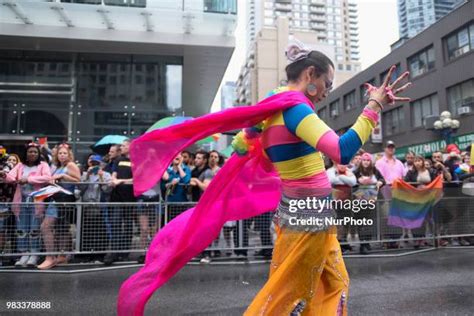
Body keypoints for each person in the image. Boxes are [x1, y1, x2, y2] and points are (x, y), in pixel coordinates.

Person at [118, 42, 412, 315]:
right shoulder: (295, 110)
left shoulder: (272, 116)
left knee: (332, 285)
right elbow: (342, 151)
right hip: (308, 221)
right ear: (310, 73)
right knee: (287, 299)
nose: (327, 91)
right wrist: (373, 107)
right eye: (327, 83)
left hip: (306, 217)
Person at [1, 143, 51, 268]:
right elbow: (11, 178)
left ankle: (34, 254)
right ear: (26, 154)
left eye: (35, 152)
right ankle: (24, 254)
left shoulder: (43, 165)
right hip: (21, 201)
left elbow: (47, 178)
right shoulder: (20, 165)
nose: (32, 154)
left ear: (38, 154)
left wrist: (28, 180)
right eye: (30, 152)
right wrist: (5, 175)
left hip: (36, 201)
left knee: (34, 229)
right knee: (21, 229)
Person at [39, 143, 80, 269]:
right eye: (60, 153)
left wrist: (63, 176)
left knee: (46, 227)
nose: (62, 155)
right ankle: (61, 255)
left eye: (65, 153)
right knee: (61, 228)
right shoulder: (57, 166)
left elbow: (78, 180)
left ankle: (50, 257)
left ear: (69, 155)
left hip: (64, 199)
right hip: (56, 198)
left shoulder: (70, 165)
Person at [104, 139, 136, 266]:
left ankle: (125, 251)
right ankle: (115, 251)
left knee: (128, 224)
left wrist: (120, 181)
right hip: (117, 196)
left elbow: (136, 179)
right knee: (116, 223)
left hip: (129, 197)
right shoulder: (118, 160)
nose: (121, 147)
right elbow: (114, 174)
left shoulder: (136, 161)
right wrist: (113, 180)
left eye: (124, 145)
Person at [79, 154, 112, 261]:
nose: (94, 166)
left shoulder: (106, 175)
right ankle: (87, 254)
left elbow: (107, 189)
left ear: (101, 164)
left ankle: (100, 254)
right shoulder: (84, 174)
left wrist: (101, 176)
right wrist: (87, 175)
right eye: (93, 163)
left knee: (99, 231)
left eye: (96, 164)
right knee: (87, 231)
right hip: (86, 205)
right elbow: (80, 188)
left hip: (100, 206)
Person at [375, 140, 405, 249]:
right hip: (384, 192)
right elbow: (378, 177)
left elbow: (403, 177)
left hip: (397, 193)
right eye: (389, 147)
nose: (391, 149)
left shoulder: (400, 163)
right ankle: (386, 240)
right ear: (385, 149)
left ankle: (396, 240)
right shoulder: (379, 163)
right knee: (386, 216)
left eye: (392, 147)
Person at [353, 152, 385, 254]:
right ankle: (362, 244)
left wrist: (380, 182)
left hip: (372, 200)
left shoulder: (375, 170)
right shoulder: (356, 171)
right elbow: (351, 183)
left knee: (370, 222)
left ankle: (367, 242)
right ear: (361, 161)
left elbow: (382, 179)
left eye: (368, 160)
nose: (366, 162)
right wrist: (358, 182)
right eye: (364, 160)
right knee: (361, 222)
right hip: (359, 200)